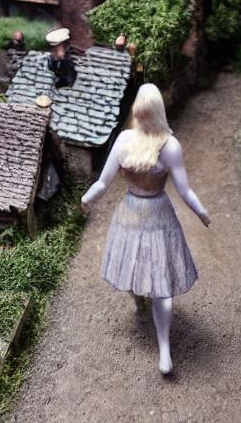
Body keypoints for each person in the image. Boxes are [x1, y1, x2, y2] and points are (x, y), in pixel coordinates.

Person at [81, 83, 210, 375]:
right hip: (137, 212)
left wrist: (201, 211)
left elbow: (184, 190)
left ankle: (164, 347)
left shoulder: (161, 145)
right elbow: (103, 182)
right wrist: (88, 198)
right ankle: (144, 305)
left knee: (161, 282)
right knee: (138, 265)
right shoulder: (144, 142)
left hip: (150, 212)